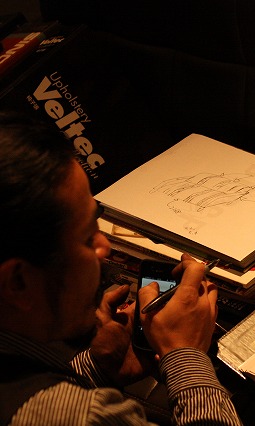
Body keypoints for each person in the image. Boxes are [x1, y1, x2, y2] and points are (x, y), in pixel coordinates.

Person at [0, 110, 242, 425]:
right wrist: (185, 354)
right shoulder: (84, 417)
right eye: (87, 236)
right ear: (18, 282)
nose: (104, 246)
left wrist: (94, 370)